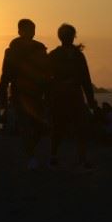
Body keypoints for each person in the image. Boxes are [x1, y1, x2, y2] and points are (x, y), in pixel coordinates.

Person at [0, 18, 50, 170]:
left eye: (32, 29)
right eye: (27, 29)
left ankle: (30, 151)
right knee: (26, 125)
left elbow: (47, 71)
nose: (30, 32)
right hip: (20, 92)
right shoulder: (12, 50)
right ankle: (31, 156)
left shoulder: (39, 48)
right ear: (19, 31)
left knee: (39, 126)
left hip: (37, 93)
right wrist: (2, 93)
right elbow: (5, 73)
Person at [47, 24, 98, 170]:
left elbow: (86, 79)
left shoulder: (75, 55)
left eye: (69, 34)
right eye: (67, 34)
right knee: (60, 127)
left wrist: (90, 99)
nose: (68, 37)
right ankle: (55, 156)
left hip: (72, 95)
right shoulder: (56, 55)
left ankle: (79, 158)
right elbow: (46, 76)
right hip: (61, 96)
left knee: (78, 127)